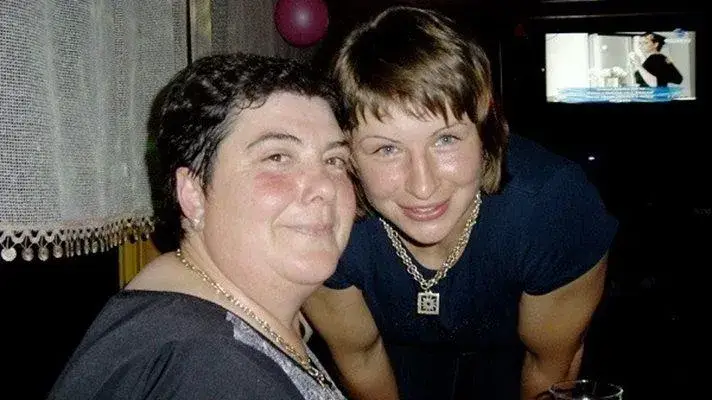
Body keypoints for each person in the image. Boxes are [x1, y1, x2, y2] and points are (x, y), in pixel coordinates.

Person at [302, 6, 619, 400]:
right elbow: (360, 357)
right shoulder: (319, 220)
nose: (423, 186)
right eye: (386, 149)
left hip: (515, 356)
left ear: (485, 131)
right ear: (346, 152)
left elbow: (549, 366)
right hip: (394, 357)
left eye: (446, 139)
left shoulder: (554, 209)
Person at [47, 53, 356, 400]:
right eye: (278, 157)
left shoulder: (202, 317)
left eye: (334, 160)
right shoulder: (210, 369)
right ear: (193, 195)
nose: (326, 187)